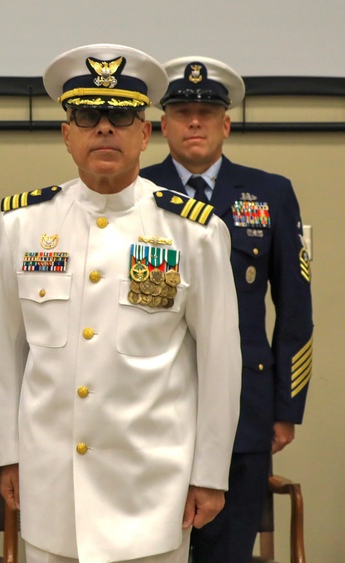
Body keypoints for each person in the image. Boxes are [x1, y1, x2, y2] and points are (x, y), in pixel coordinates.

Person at [0, 44, 242, 563]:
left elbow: (221, 363)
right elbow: (6, 353)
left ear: (144, 133)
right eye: (87, 115)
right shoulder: (23, 225)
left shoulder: (193, 232)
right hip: (52, 489)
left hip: (151, 494)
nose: (104, 128)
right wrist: (7, 457)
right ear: (67, 134)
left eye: (122, 115)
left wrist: (210, 474)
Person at [141, 56, 314, 563]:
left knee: (227, 552)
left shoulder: (271, 193)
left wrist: (286, 409)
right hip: (155, 405)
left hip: (246, 410)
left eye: (207, 112)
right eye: (182, 111)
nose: (195, 121)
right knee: (153, 548)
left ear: (226, 124)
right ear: (162, 125)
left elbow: (295, 309)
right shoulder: (137, 192)